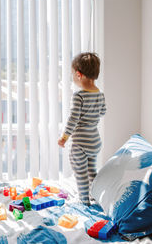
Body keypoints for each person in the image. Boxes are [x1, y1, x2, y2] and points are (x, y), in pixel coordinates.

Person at [58, 52, 106, 205]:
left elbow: (73, 119)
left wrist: (64, 137)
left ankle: (84, 200)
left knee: (80, 172)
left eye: (73, 74)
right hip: (95, 141)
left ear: (78, 74)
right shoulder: (99, 94)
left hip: (81, 144)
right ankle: (95, 196)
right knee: (92, 171)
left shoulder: (79, 96)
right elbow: (103, 111)